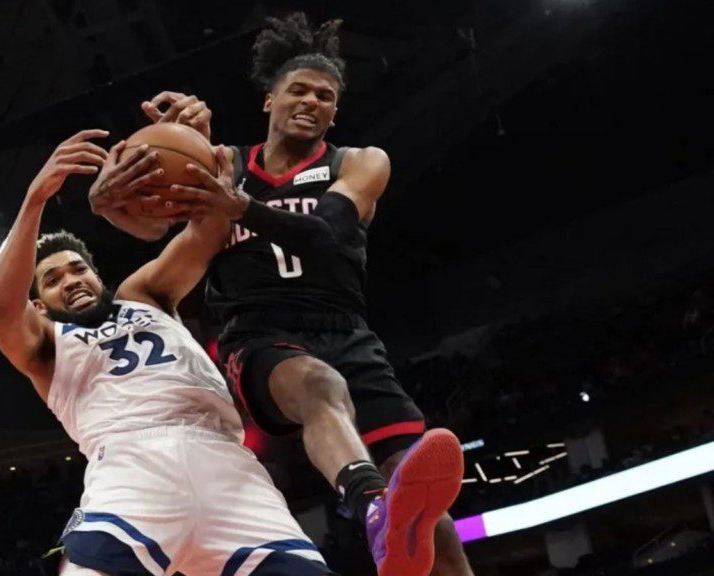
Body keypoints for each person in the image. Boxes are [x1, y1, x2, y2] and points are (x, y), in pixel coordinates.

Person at [91, 13, 474, 576]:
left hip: (346, 331)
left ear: (334, 112)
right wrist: (109, 202)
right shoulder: (223, 165)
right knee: (321, 387)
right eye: (298, 90)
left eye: (325, 96)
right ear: (269, 101)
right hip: (259, 336)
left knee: (432, 521)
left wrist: (240, 207)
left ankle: (393, 514)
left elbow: (325, 235)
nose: (312, 101)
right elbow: (153, 225)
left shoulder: (361, 162)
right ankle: (370, 507)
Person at [0, 129, 334, 576]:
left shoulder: (145, 294)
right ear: (39, 305)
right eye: (53, 280)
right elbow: (3, 306)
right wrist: (36, 199)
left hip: (227, 465)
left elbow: (209, 232)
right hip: (133, 464)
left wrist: (204, 158)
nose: (72, 280)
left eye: (78, 269)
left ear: (96, 274)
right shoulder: (44, 345)